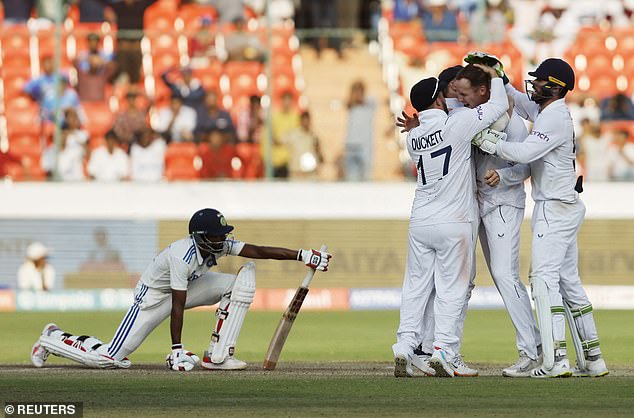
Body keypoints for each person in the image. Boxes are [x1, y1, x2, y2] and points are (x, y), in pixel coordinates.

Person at [30, 208, 332, 371]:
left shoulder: (217, 244)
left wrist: (302, 255)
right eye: (216, 235)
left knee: (240, 281)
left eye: (222, 234)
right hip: (152, 299)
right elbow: (177, 305)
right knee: (110, 358)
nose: (222, 240)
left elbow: (257, 250)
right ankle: (52, 337)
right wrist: (176, 349)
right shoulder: (181, 255)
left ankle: (217, 357)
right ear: (200, 236)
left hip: (186, 288)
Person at [472, 56, 609, 378]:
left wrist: (483, 138)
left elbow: (524, 154)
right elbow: (518, 104)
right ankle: (593, 359)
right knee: (567, 282)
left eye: (538, 81)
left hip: (555, 208)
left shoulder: (554, 118)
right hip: (562, 205)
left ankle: (554, 360)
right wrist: (499, 77)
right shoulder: (549, 111)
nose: (532, 86)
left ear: (554, 87)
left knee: (543, 281)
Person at [392, 64, 509, 378]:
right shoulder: (458, 123)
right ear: (440, 100)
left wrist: (420, 120)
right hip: (453, 220)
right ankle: (443, 350)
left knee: (415, 287)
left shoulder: (412, 135)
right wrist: (495, 75)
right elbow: (498, 106)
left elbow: (426, 127)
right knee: (452, 289)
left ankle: (404, 344)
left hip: (420, 220)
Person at [454, 63, 541, 377]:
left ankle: (531, 352)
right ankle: (535, 347)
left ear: (482, 91)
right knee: (497, 277)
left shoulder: (514, 123)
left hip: (504, 203)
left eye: (465, 94)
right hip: (478, 205)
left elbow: (527, 167)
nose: (461, 100)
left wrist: (503, 176)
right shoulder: (472, 116)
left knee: (506, 276)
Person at [343, 80, 375, 181]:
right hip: (351, 145)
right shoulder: (351, 105)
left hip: (365, 146)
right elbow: (347, 102)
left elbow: (366, 101)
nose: (356, 94)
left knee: (366, 178)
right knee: (351, 179)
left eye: (359, 90)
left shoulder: (370, 103)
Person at [284, 111, 322, 179]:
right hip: (296, 175)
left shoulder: (314, 136)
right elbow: (278, 142)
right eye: (304, 121)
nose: (306, 123)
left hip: (310, 175)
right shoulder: (293, 135)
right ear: (300, 121)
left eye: (307, 121)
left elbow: (320, 157)